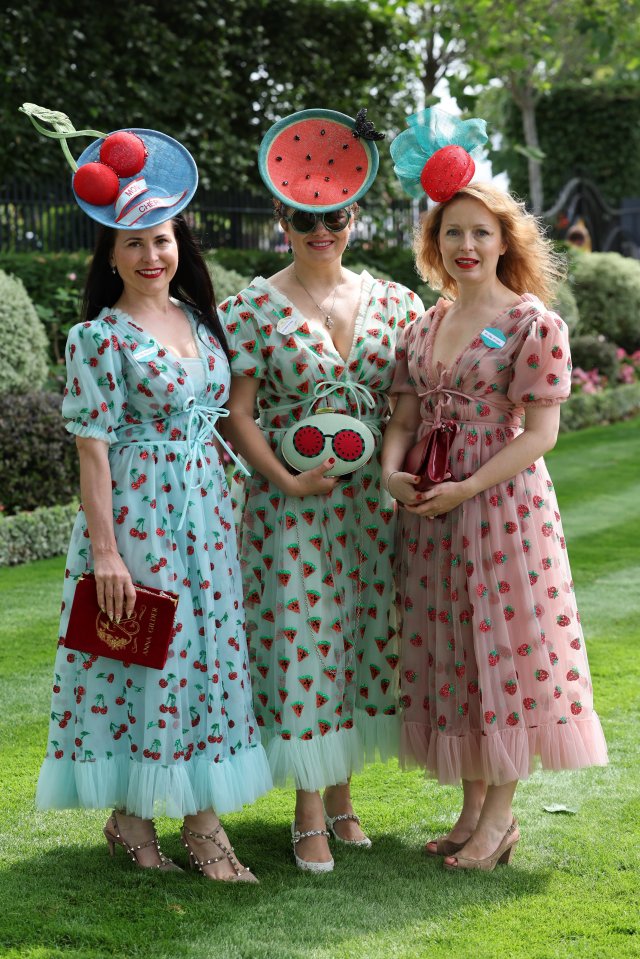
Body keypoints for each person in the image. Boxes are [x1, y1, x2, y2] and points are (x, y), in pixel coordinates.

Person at [24, 104, 272, 881]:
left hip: (205, 514)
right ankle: (177, 825)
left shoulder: (199, 321)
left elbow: (221, 419)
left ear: (178, 243)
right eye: (134, 242)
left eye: (162, 238)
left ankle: (156, 820)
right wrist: (106, 552)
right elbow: (91, 450)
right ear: (113, 253)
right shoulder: (97, 337)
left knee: (205, 663)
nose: (152, 253)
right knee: (145, 661)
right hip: (139, 519)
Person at [382, 107, 608, 872]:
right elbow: (405, 411)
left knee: (505, 655)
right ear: (434, 242)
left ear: (505, 239)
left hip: (501, 508)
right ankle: (472, 809)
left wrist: (468, 485)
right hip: (435, 507)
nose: (467, 245)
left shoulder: (530, 322)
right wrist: (390, 467)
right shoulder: (429, 320)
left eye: (481, 231)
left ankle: (501, 820)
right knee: (455, 654)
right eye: (452, 232)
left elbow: (540, 434)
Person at [220, 108, 423, 872]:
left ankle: (340, 797)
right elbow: (237, 414)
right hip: (287, 506)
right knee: (300, 643)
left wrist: (393, 470)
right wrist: (283, 478)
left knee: (361, 640)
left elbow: (405, 401)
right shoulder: (250, 308)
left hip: (367, 510)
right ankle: (307, 813)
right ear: (281, 216)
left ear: (354, 215)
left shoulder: (396, 303)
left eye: (333, 215)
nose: (320, 228)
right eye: (304, 217)